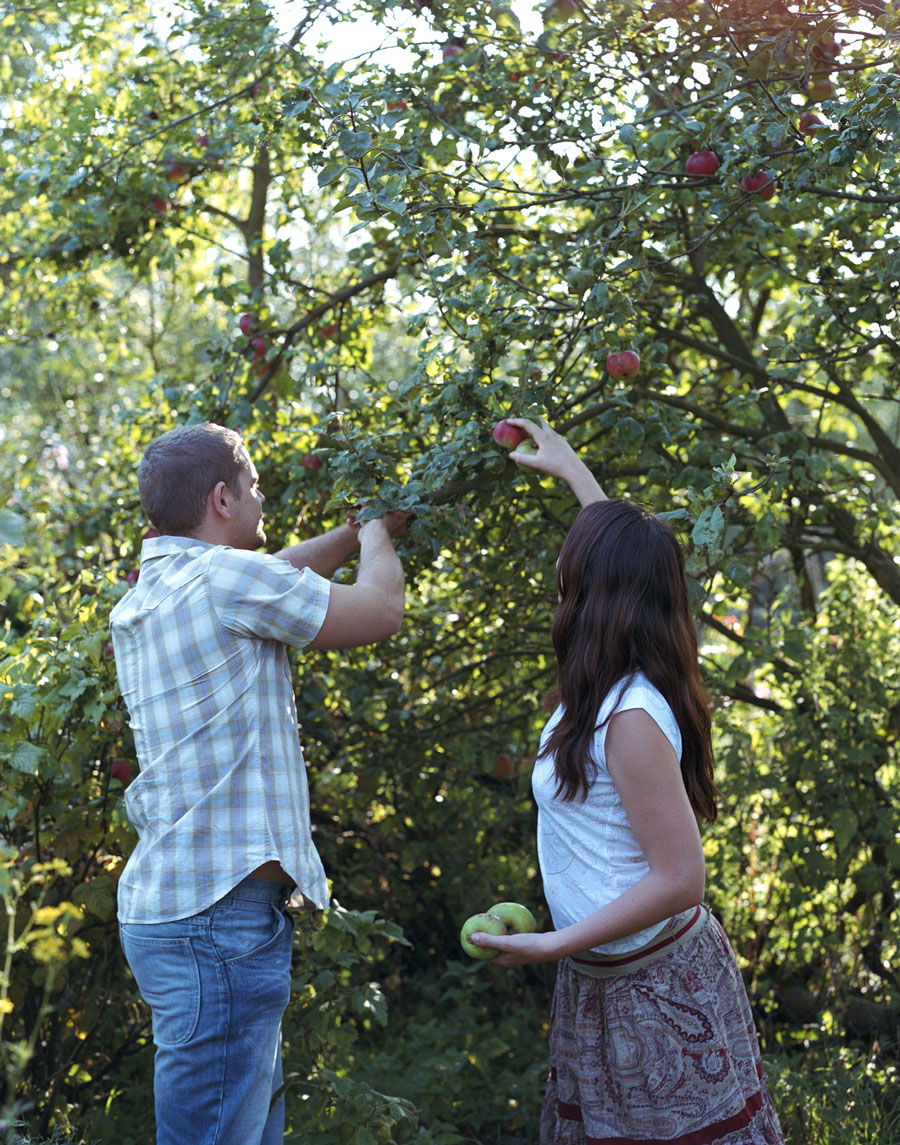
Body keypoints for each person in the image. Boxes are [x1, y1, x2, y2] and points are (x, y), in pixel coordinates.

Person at [468, 418, 784, 1144]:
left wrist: (553, 944)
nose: (557, 576)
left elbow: (682, 877)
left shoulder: (630, 716)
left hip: (655, 988)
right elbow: (623, 552)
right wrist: (577, 474)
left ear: (593, 591)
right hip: (605, 980)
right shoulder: (605, 683)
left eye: (569, 568)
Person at [109, 422, 409, 1145]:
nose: (262, 493)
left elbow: (272, 574)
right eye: (252, 483)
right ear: (221, 497)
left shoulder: (159, 590)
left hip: (178, 913)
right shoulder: (223, 582)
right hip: (218, 922)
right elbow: (382, 610)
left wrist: (342, 536)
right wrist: (376, 538)